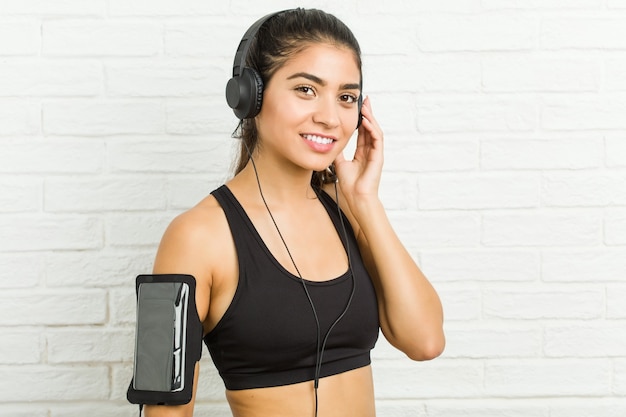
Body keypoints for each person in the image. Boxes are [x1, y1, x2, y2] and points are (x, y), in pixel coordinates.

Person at [146, 8, 444, 417]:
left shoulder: (349, 213)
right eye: (306, 89)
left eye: (346, 98)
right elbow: (162, 405)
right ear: (250, 94)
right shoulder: (194, 236)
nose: (329, 116)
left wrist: (366, 203)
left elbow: (425, 341)